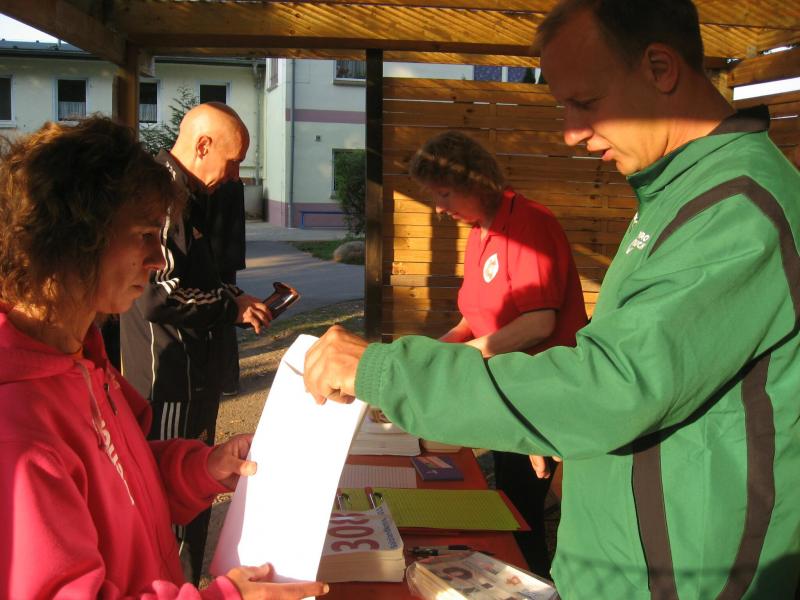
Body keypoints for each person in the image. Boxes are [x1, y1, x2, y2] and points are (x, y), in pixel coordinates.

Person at [302, 1, 800, 597]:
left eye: (585, 102)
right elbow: (644, 369)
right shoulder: (678, 192)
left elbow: (612, 384)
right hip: (621, 564)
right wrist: (574, 449)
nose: (570, 132)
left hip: (683, 579)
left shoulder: (737, 206)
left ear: (661, 68)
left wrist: (390, 371)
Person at [0, 116, 327, 599]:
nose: (156, 259)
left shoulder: (82, 360)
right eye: (144, 234)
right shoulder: (19, 427)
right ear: (70, 240)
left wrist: (201, 469)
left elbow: (123, 482)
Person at [409, 130, 587, 575]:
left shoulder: (529, 223)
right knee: (511, 502)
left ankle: (535, 583)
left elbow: (539, 322)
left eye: (444, 193)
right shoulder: (479, 233)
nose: (439, 207)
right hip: (509, 391)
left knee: (527, 512)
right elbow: (473, 319)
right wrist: (429, 356)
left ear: (477, 181)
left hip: (545, 392)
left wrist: (463, 358)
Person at [120, 102, 272, 580]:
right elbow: (158, 295)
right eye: (232, 162)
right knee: (171, 509)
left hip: (192, 376)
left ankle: (185, 581)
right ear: (203, 145)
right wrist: (228, 306)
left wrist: (232, 294)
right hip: (169, 380)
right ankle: (174, 584)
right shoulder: (161, 198)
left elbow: (192, 276)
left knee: (198, 484)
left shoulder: (185, 194)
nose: (234, 176)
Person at [206, 179, 248, 397]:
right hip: (228, 256)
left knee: (221, 317)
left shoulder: (212, 182)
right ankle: (229, 380)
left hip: (213, 258)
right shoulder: (233, 181)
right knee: (226, 319)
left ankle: (226, 380)